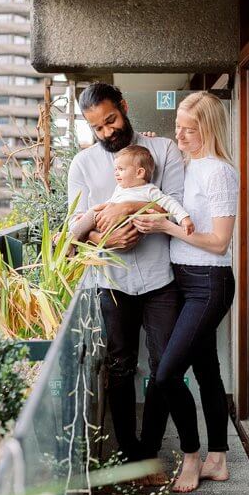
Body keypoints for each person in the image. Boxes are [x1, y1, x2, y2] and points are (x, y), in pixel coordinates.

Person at [68, 82, 186, 474]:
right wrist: (106, 237)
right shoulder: (82, 165)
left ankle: (150, 450)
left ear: (123, 106)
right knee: (118, 366)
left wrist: (136, 206)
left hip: (160, 279)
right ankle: (129, 453)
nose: (106, 133)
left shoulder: (164, 150)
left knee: (163, 366)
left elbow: (178, 207)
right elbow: (75, 227)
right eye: (97, 128)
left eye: (111, 120)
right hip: (110, 283)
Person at [132, 91, 239, 493]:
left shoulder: (220, 173)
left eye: (188, 130)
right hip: (183, 280)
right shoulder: (187, 164)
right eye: (176, 126)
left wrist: (168, 228)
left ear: (207, 129)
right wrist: (152, 144)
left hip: (209, 284)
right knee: (208, 370)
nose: (179, 136)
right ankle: (219, 460)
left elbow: (220, 242)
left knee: (167, 373)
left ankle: (192, 456)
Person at [70, 144, 194, 241]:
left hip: (129, 233)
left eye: (121, 169)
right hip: (110, 230)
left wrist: (184, 218)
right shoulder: (120, 189)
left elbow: (170, 203)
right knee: (95, 210)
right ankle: (74, 236)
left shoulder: (149, 190)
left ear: (139, 173)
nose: (116, 173)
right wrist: (89, 217)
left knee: (94, 212)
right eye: (116, 169)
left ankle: (72, 237)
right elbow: (110, 205)